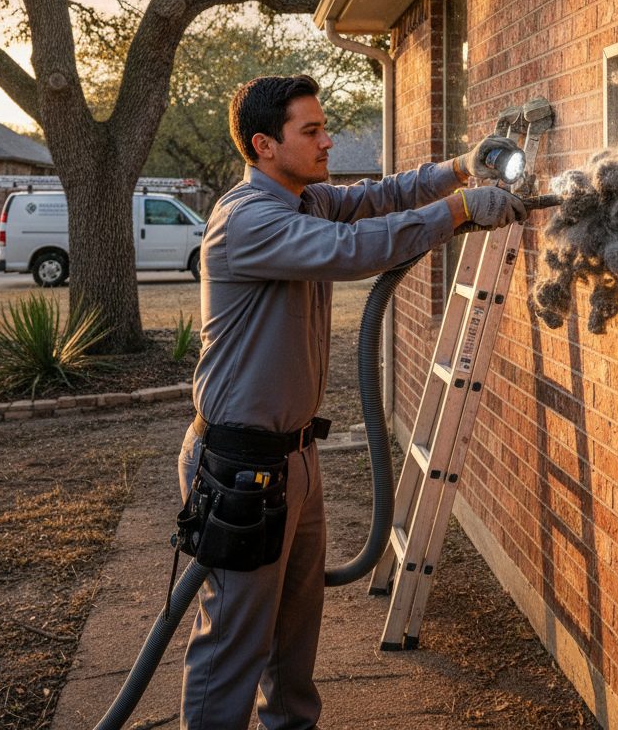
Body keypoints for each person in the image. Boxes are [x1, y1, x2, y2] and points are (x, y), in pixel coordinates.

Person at [178, 74, 527, 730]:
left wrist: (458, 170)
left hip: (294, 458)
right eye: (309, 131)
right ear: (264, 145)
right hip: (241, 465)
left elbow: (377, 198)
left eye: (322, 126)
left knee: (293, 641)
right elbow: (355, 250)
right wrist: (458, 212)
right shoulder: (249, 220)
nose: (326, 139)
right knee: (234, 647)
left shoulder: (302, 201)